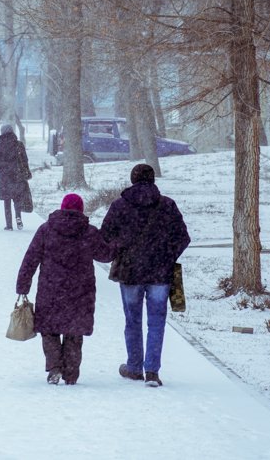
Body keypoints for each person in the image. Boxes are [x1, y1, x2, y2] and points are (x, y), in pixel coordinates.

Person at [99, 163, 190, 387]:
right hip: (160, 272)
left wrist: (119, 250)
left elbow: (105, 236)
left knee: (133, 321)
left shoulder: (120, 206)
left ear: (133, 179)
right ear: (153, 179)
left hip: (129, 272)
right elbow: (183, 237)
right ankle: (152, 371)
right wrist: (167, 256)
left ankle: (133, 367)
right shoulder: (167, 205)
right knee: (157, 322)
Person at [16, 193, 113, 385]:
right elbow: (105, 255)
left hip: (51, 289)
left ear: (61, 208)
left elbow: (31, 259)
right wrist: (118, 242)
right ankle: (71, 373)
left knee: (49, 330)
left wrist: (23, 285)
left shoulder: (46, 230)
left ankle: (54, 368)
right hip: (80, 291)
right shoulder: (89, 232)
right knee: (74, 332)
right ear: (81, 210)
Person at [0, 124, 32, 231]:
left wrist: (3, 171)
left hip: (5, 177)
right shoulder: (19, 145)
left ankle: (9, 225)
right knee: (17, 199)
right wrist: (26, 172)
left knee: (7, 201)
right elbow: (25, 160)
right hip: (17, 176)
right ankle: (18, 217)